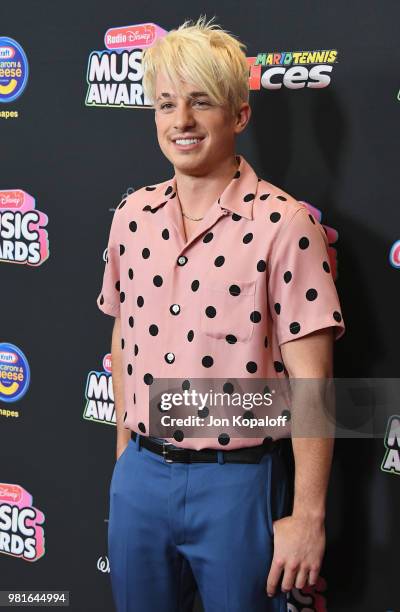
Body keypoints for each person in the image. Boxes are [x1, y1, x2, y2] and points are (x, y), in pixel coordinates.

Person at [96, 15, 345, 612]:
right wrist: (125, 457)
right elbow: (123, 333)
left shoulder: (286, 225)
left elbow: (314, 383)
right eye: (165, 104)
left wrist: (307, 515)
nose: (180, 121)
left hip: (238, 483)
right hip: (140, 480)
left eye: (200, 102)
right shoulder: (131, 215)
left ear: (239, 115)